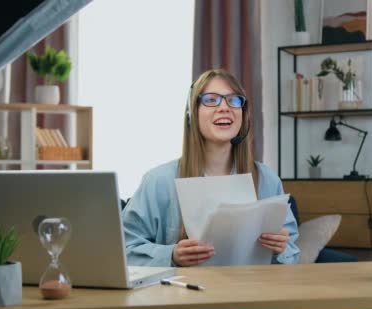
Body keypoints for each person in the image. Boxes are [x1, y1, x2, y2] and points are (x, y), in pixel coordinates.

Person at [122, 69, 300, 268]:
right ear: (192, 114)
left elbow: (292, 252)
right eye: (211, 100)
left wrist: (282, 248)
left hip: (250, 294)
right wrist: (170, 255)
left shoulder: (266, 179)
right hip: (184, 296)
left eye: (234, 100)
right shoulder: (159, 181)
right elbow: (125, 249)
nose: (224, 107)